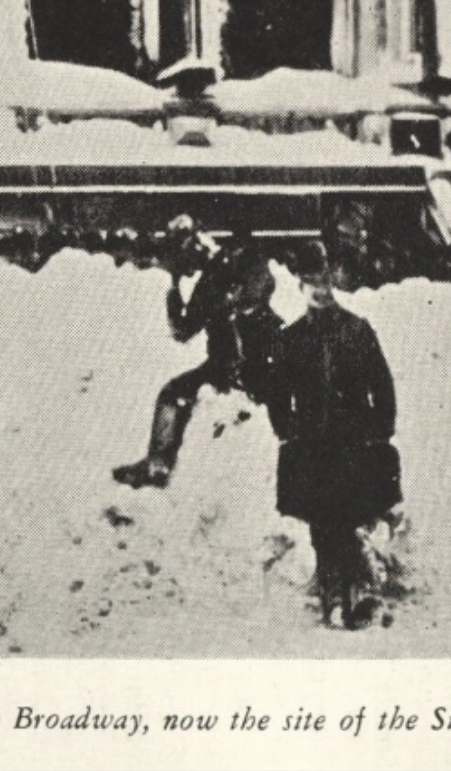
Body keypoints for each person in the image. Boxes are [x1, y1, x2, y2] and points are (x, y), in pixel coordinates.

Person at [266, 241, 403, 630]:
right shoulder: (290, 339)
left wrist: (379, 428)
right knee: (323, 525)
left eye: (324, 281)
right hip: (312, 446)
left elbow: (383, 384)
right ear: (300, 287)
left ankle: (353, 593)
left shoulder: (357, 331)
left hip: (353, 444)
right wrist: (287, 428)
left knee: (347, 517)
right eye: (311, 283)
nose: (320, 290)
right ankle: (335, 596)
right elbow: (278, 394)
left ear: (333, 283)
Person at [114, 221, 283, 490]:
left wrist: (230, 301)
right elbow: (183, 330)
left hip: (265, 359)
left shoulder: (244, 260)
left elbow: (260, 287)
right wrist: (173, 287)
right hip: (228, 364)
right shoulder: (212, 279)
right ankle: (158, 465)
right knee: (172, 394)